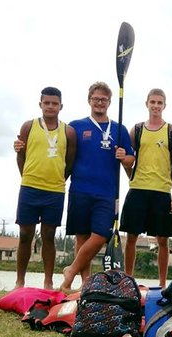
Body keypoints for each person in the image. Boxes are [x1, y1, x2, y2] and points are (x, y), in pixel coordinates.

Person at [59, 81, 134, 293]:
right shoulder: (76, 126)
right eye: (96, 99)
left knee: (101, 234)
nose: (99, 102)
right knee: (81, 236)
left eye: (103, 99)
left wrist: (124, 157)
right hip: (80, 188)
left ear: (110, 102)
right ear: (89, 100)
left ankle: (71, 271)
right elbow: (62, 152)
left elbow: (130, 160)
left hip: (107, 191)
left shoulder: (119, 128)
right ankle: (85, 285)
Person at [13, 86, 76, 289]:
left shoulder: (68, 131)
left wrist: (58, 178)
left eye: (54, 103)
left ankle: (48, 282)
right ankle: (19, 282)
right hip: (30, 187)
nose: (50, 106)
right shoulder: (28, 126)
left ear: (61, 106)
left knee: (49, 235)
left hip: (55, 190)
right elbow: (20, 155)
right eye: (46, 103)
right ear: (40, 104)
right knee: (25, 234)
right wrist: (28, 176)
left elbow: (70, 162)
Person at [120, 89, 172, 288]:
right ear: (146, 103)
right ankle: (128, 280)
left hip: (162, 191)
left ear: (165, 105)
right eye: (153, 102)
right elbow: (128, 160)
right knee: (131, 237)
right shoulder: (136, 130)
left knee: (163, 240)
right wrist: (130, 174)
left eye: (159, 102)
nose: (156, 106)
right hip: (138, 189)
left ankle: (162, 284)